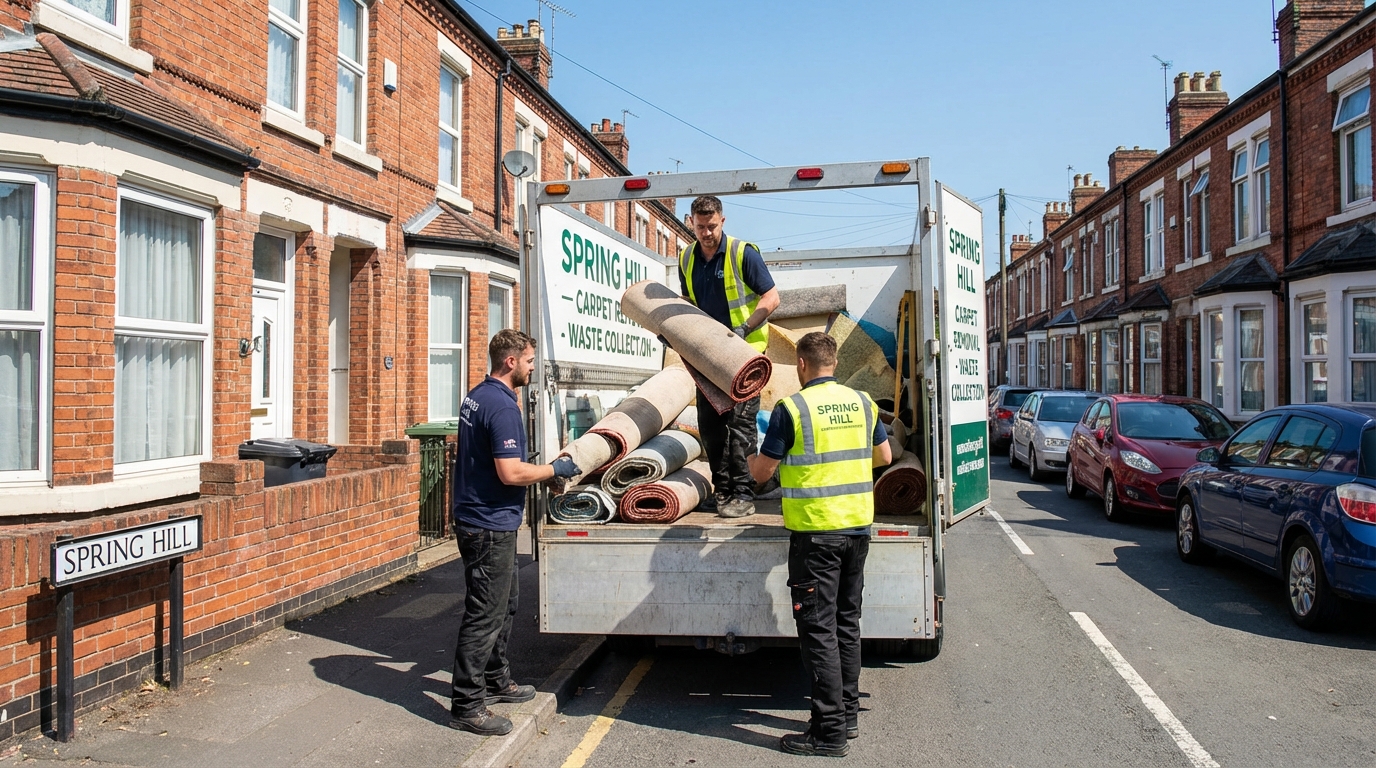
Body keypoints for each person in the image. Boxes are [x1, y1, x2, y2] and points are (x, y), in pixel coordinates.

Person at [748, 332, 891, 758]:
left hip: (815, 536)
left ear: (801, 365)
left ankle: (827, 734)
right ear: (836, 363)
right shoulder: (864, 402)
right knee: (847, 625)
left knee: (818, 632)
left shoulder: (790, 409)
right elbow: (884, 457)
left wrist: (754, 461)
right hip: (857, 531)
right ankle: (846, 717)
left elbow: (761, 474)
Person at [448, 329, 581, 736]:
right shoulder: (502, 407)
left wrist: (538, 471)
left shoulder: (478, 395)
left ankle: (496, 680)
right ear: (511, 362)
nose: (530, 368)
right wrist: (553, 471)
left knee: (505, 604)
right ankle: (467, 705)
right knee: (485, 614)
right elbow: (510, 472)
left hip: (482, 519)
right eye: (527, 361)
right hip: (488, 525)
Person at [678, 194, 781, 518]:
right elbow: (686, 301)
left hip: (744, 355)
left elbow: (772, 297)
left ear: (722, 221)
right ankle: (721, 491)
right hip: (708, 357)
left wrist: (745, 328)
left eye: (711, 226)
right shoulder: (687, 258)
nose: (706, 233)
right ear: (691, 222)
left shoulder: (742, 254)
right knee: (710, 427)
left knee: (740, 427)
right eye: (699, 227)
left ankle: (743, 494)